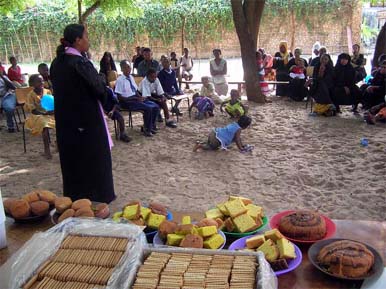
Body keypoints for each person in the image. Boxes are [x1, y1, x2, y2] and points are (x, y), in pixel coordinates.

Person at [50, 23, 116, 203]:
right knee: (94, 161)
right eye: (86, 36)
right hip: (87, 123)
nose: (88, 40)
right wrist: (109, 99)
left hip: (66, 123)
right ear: (78, 40)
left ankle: (75, 197)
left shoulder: (57, 63)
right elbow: (99, 89)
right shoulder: (80, 63)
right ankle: (97, 198)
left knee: (73, 161)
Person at [114, 60, 160, 137]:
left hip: (135, 99)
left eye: (129, 67)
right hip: (127, 102)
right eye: (125, 68)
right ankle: (147, 129)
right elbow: (119, 97)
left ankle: (150, 126)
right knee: (148, 108)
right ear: (121, 69)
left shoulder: (131, 77)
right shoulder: (120, 80)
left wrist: (140, 97)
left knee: (155, 106)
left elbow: (135, 91)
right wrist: (133, 99)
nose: (128, 69)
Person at [24, 74, 55, 159]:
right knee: (44, 124)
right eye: (38, 81)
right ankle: (47, 149)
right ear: (32, 84)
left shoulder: (47, 91)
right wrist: (44, 113)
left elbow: (51, 104)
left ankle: (58, 144)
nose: (41, 82)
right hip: (36, 116)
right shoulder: (30, 95)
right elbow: (32, 109)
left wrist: (52, 111)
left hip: (48, 114)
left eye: (42, 81)